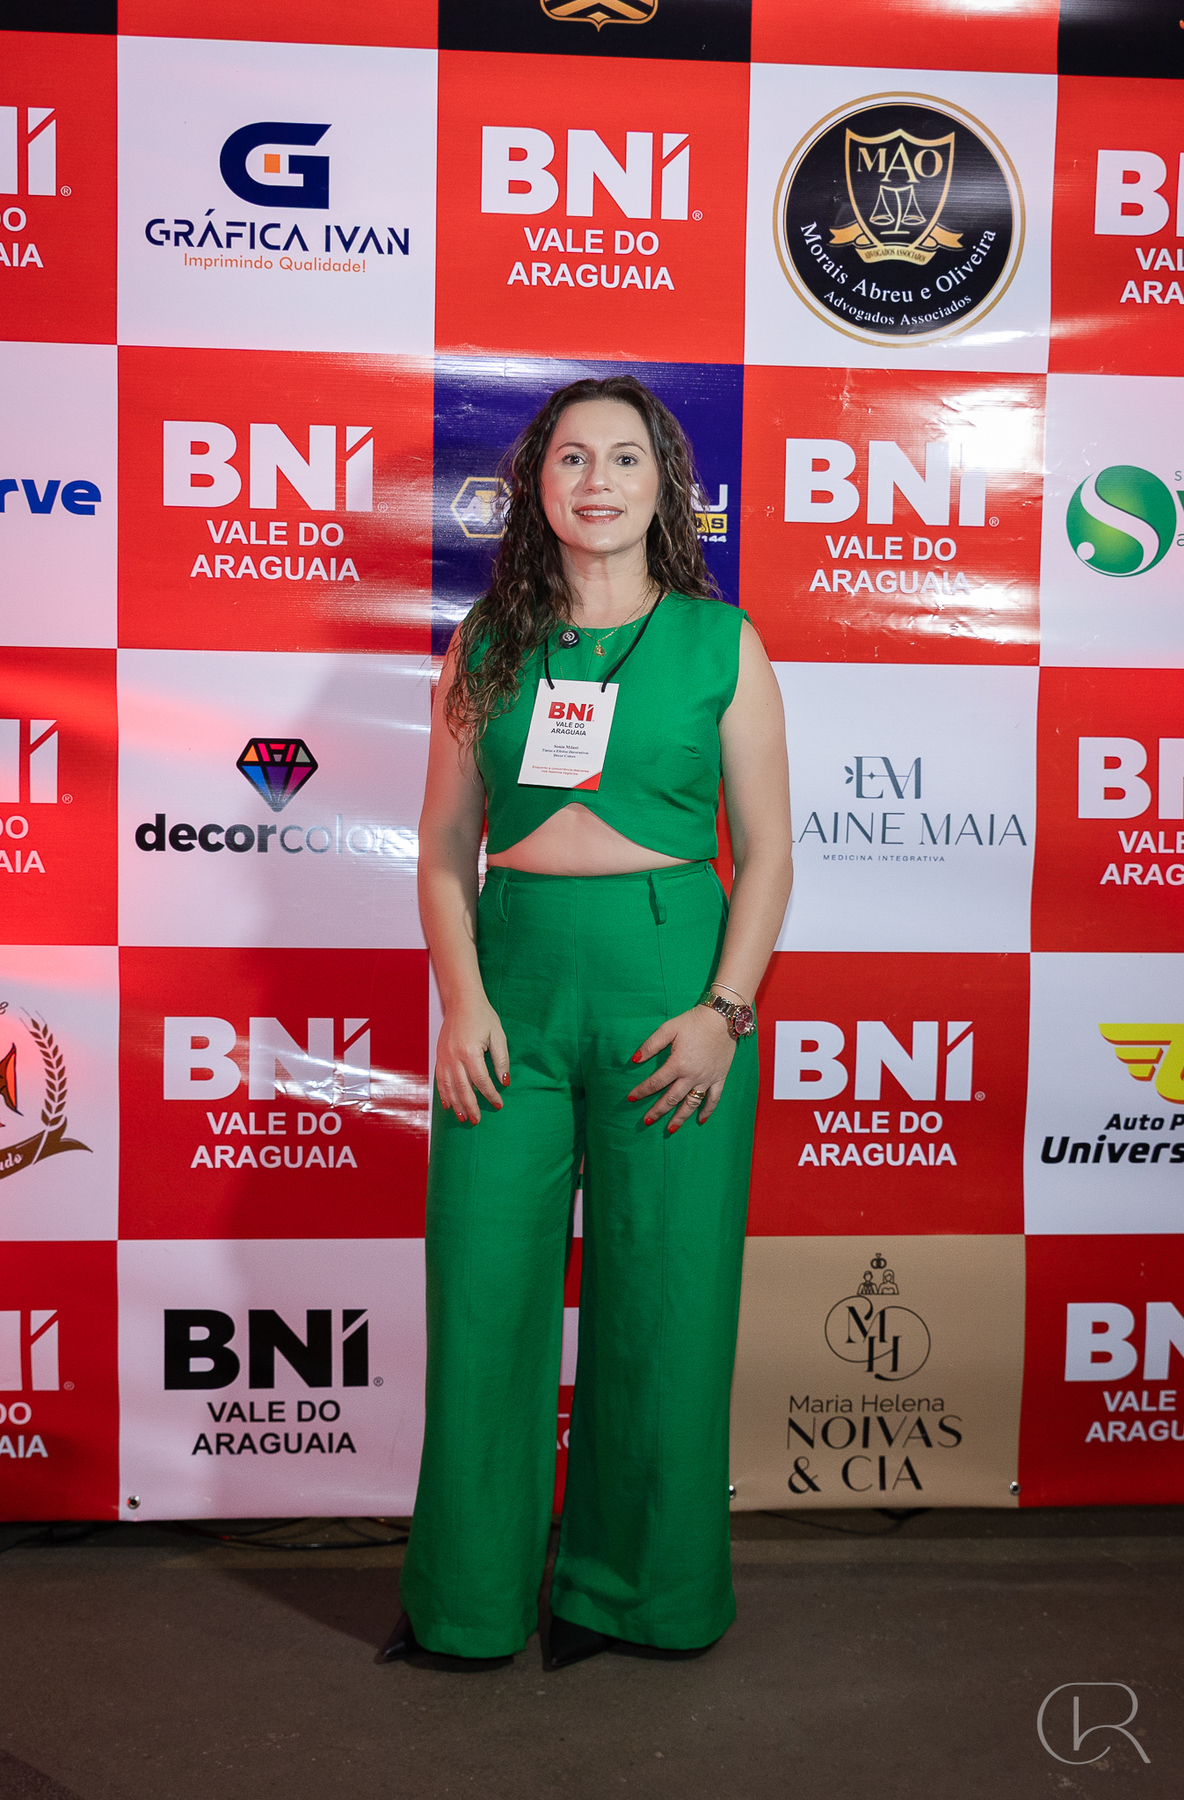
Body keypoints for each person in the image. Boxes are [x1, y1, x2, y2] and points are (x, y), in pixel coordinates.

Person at [382, 375, 792, 1672]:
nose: (597, 480)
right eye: (572, 458)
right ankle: (467, 1602)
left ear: (666, 487)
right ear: (537, 486)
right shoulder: (487, 643)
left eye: (624, 458)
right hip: (510, 985)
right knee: (482, 1297)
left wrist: (725, 1012)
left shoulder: (723, 643)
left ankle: (643, 1596)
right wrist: (462, 1002)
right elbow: (443, 847)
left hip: (671, 985)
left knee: (668, 1301)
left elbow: (769, 853)